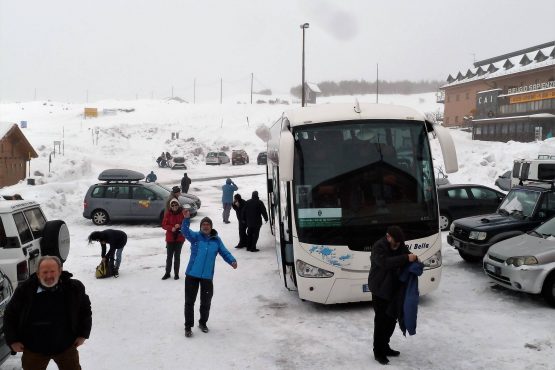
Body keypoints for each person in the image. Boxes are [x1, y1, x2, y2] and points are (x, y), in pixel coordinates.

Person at [4, 256, 92, 370]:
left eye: (52, 271)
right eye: (45, 272)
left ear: (60, 271)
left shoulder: (74, 288)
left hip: (65, 346)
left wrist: (83, 334)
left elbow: (85, 310)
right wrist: (13, 340)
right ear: (38, 273)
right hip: (34, 349)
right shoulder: (25, 290)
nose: (49, 276)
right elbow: (10, 315)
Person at [180, 211, 237, 338]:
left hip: (207, 276)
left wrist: (232, 260)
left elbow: (224, 252)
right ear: (201, 226)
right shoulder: (195, 237)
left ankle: (202, 323)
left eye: (208, 224)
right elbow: (184, 231)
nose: (205, 226)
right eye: (203, 224)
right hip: (192, 274)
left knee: (206, 302)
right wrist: (186, 219)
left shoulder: (216, 240)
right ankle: (188, 327)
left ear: (211, 227)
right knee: (189, 302)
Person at [368, 226, 417, 365]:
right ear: (388, 237)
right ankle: (378, 352)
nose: (397, 245)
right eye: (395, 243)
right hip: (380, 289)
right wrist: (406, 257)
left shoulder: (400, 244)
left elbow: (407, 255)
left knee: (391, 320)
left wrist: (414, 259)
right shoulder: (379, 246)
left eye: (399, 243)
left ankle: (386, 346)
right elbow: (384, 263)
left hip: (394, 289)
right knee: (381, 322)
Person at [161, 199, 185, 280]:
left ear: (178, 205)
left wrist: (180, 225)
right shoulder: (168, 214)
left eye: (176, 205)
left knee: (177, 257)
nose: (174, 207)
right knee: (169, 257)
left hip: (179, 238)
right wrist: (171, 228)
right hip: (170, 238)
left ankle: (176, 274)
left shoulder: (183, 213)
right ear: (171, 206)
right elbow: (164, 225)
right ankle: (167, 273)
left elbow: (187, 224)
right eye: (173, 205)